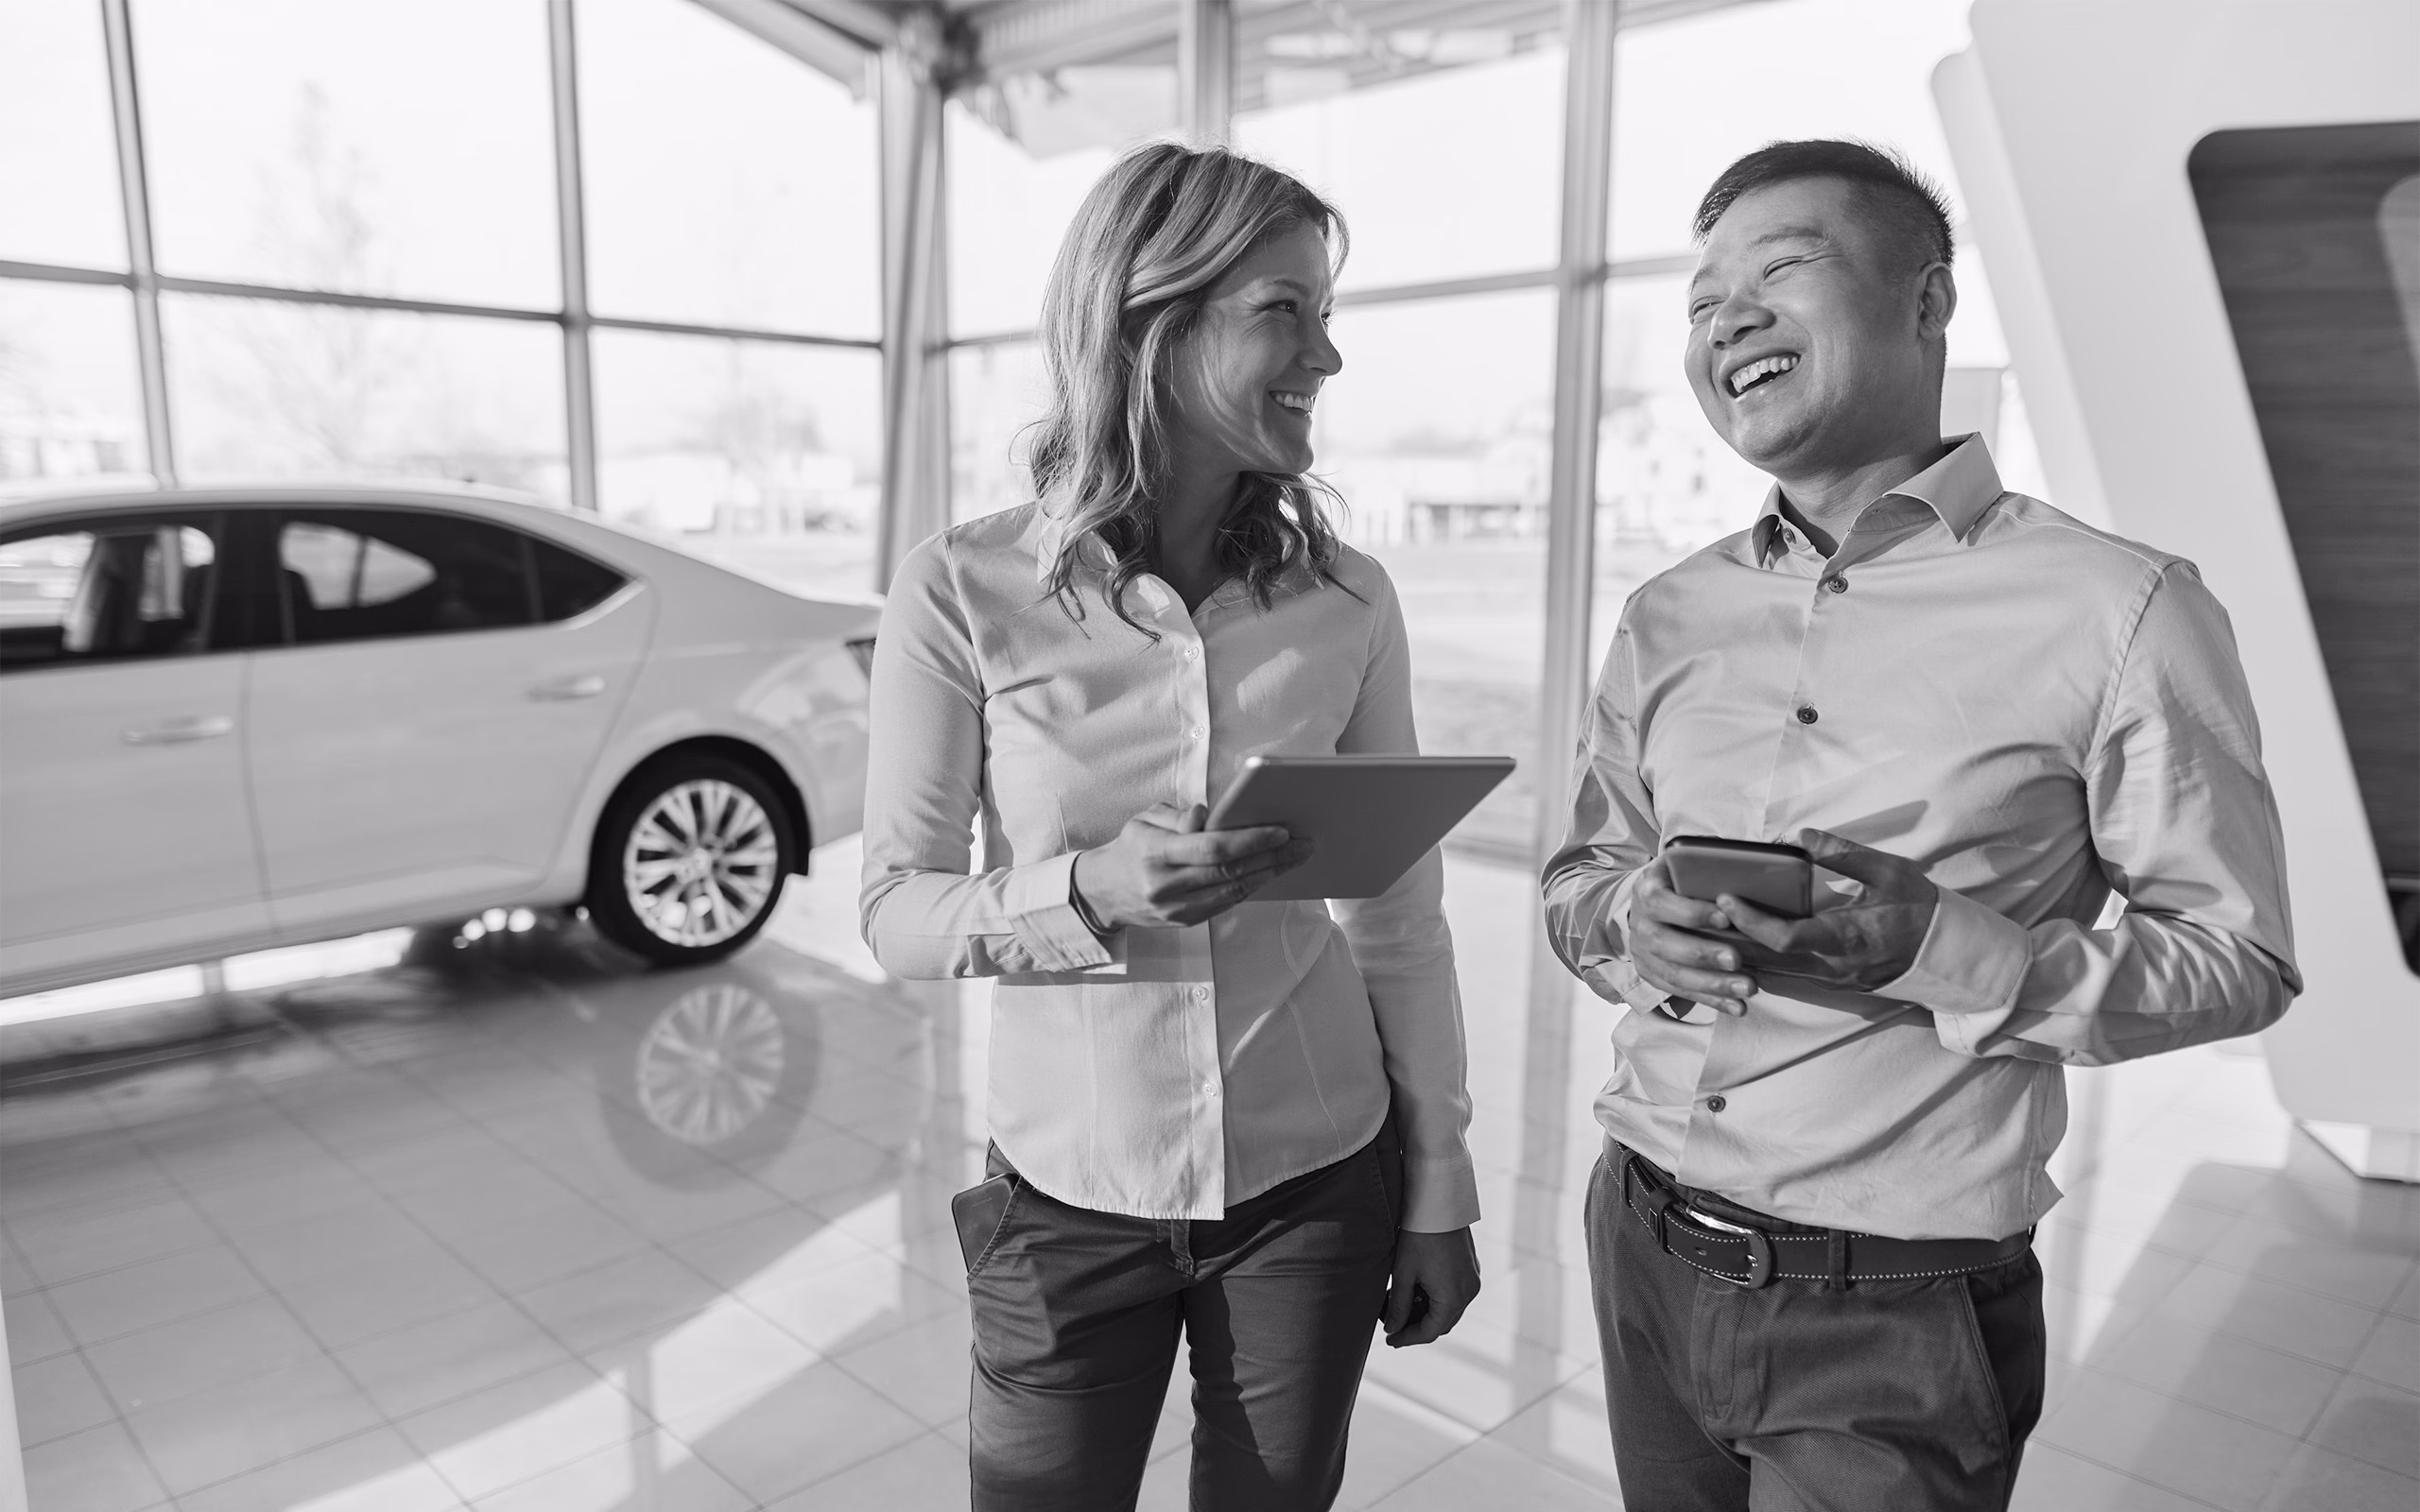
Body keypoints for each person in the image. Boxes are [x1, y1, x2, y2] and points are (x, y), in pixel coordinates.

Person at [1542, 139, 2299, 1511]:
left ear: (1930, 302)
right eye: (1705, 301)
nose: (1730, 321)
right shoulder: (1670, 614)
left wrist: (1948, 950)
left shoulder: (2121, 609)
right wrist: (1627, 918)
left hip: (1893, 1308)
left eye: (1782, 271)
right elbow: (1582, 874)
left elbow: (2239, 958)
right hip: (1646, 1236)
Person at [860, 142, 1483, 1512]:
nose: (1327, 354)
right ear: (1154, 316)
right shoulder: (964, 589)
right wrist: (1090, 892)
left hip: (1320, 1185)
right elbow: (897, 912)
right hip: (1067, 1201)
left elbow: (1401, 921)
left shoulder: (1350, 600)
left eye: (1327, 314)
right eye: (1288, 310)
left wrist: (1440, 1180)